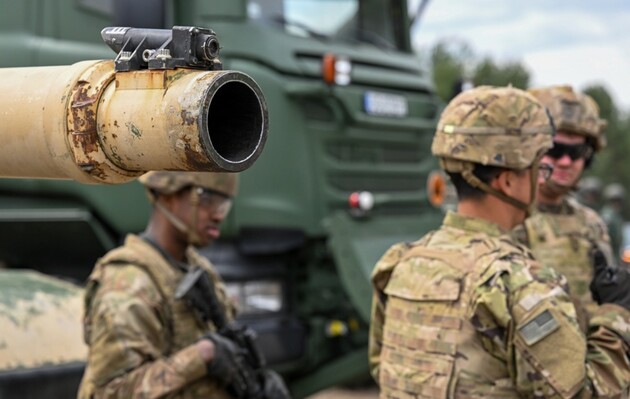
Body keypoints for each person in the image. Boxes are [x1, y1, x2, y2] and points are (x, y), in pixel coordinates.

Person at [369, 86, 630, 398]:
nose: (548, 174)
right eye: (539, 167)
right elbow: (581, 394)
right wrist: (617, 314)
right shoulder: (519, 284)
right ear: (508, 181)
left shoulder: (400, 263)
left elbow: (381, 366)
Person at [78, 171, 290, 399]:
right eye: (207, 199)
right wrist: (202, 355)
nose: (219, 215)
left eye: (224, 204)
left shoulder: (195, 267)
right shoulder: (128, 281)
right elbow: (111, 393)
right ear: (168, 194)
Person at [512, 85, 613, 318]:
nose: (566, 161)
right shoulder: (509, 219)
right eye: (555, 149)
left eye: (577, 151)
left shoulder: (591, 224)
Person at [601, 182, 626, 259]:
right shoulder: (607, 215)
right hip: (608, 254)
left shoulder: (617, 216)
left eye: (618, 200)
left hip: (616, 253)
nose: (617, 203)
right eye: (614, 200)